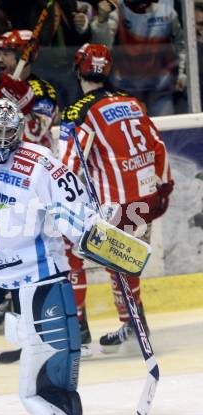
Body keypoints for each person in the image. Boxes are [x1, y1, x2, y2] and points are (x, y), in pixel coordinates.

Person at [0, 98, 151, 415]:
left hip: (33, 268)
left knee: (43, 341)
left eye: (8, 132)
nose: (2, 138)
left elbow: (77, 213)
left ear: (20, 131)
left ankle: (50, 393)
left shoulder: (42, 163)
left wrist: (109, 244)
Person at [60, 43, 174, 354]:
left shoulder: (78, 111)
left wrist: (59, 205)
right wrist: (164, 188)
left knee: (67, 248)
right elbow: (158, 147)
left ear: (77, 70)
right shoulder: (132, 103)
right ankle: (134, 322)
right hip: (146, 200)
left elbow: (68, 167)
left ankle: (77, 327)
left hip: (114, 207)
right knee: (122, 262)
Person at [90, 0, 186, 117]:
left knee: (166, 131)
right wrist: (101, 22)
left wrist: (182, 73)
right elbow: (103, 49)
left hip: (160, 88)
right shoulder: (116, 13)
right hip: (126, 87)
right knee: (128, 131)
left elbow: (182, 46)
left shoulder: (166, 13)